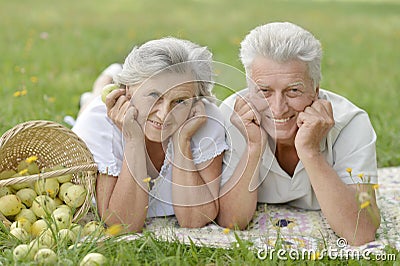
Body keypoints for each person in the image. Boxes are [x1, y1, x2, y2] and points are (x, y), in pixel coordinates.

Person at [217, 22, 380, 246]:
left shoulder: (351, 123)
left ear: (315, 90)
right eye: (264, 91)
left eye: (293, 90)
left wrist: (310, 151)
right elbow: (231, 223)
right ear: (249, 89)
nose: (277, 108)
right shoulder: (230, 117)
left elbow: (360, 233)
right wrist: (254, 147)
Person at [72, 37, 229, 232]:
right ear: (128, 90)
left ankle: (110, 79)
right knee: (93, 101)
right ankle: (103, 82)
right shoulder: (98, 122)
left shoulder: (205, 119)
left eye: (179, 101)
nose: (164, 114)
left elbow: (195, 219)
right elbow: (122, 224)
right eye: (154, 95)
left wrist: (183, 142)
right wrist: (133, 139)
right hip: (95, 110)